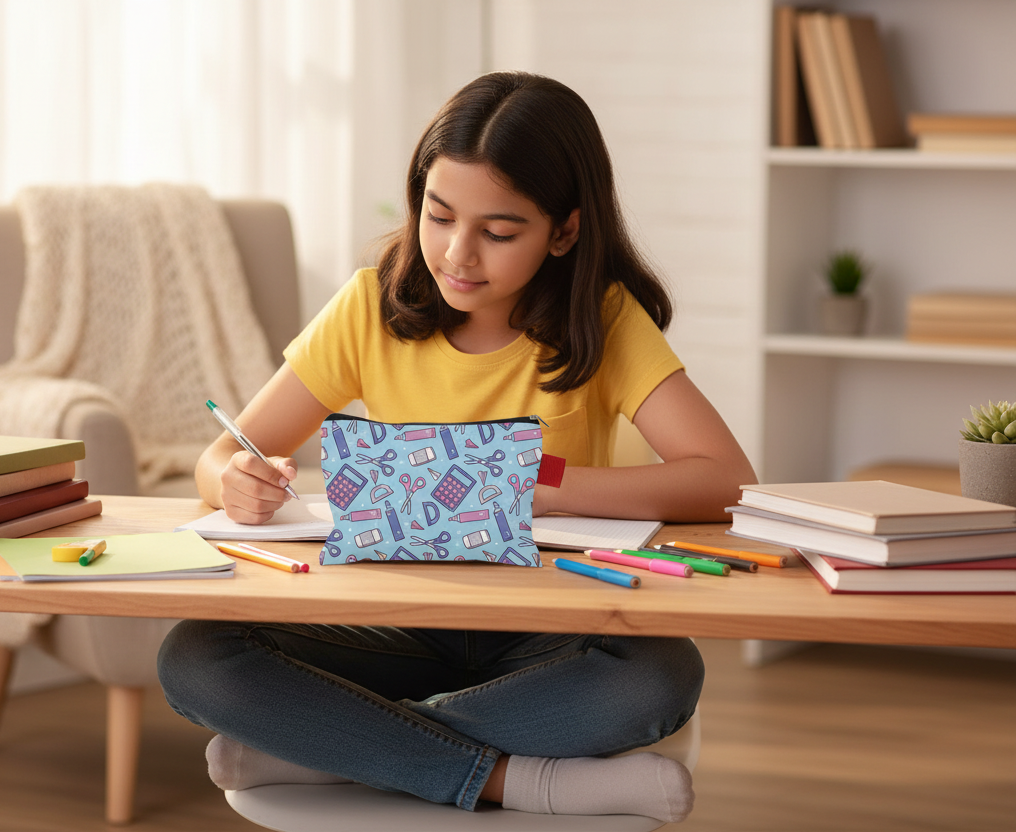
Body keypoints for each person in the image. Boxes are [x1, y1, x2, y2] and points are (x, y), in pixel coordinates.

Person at [158, 71, 756, 820]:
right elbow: (220, 457)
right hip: (392, 620)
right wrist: (235, 478)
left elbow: (726, 479)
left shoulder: (602, 317)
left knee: (658, 675)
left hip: (548, 626)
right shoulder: (369, 306)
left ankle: (336, 748)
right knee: (196, 657)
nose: (457, 255)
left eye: (499, 233)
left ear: (565, 230)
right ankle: (519, 779)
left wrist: (545, 485)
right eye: (438, 217)